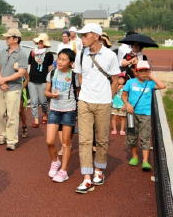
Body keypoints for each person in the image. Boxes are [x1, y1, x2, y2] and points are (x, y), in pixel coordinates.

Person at [74, 23, 121, 194]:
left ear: (95, 35)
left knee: (102, 139)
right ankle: (86, 178)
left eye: (85, 35)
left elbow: (115, 80)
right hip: (85, 101)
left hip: (103, 103)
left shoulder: (110, 55)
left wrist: (109, 98)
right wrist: (83, 93)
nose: (82, 38)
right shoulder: (80, 54)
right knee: (84, 140)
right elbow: (79, 75)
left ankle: (99, 171)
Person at [122, 60, 166, 171]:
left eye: (146, 71)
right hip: (132, 114)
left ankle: (145, 161)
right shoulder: (130, 82)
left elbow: (162, 85)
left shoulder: (150, 84)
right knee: (132, 136)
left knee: (145, 137)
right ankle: (135, 156)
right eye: (141, 71)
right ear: (136, 72)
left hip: (146, 114)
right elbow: (124, 95)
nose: (144, 73)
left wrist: (151, 76)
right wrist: (127, 104)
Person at [45, 48, 79, 183]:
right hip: (54, 109)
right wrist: (51, 95)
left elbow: (79, 92)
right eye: (59, 58)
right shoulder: (52, 73)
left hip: (69, 110)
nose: (60, 61)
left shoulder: (74, 75)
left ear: (70, 62)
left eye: (64, 59)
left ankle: (64, 171)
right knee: (49, 141)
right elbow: (46, 92)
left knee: (66, 142)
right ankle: (55, 161)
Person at [0, 28, 28, 151]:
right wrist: (0, 80)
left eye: (8, 37)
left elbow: (21, 73)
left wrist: (4, 79)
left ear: (15, 39)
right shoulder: (3, 52)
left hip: (13, 88)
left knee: (12, 115)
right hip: (0, 87)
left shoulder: (22, 54)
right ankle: (2, 135)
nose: (6, 39)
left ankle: (11, 140)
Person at [28, 33, 54, 127]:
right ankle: (35, 120)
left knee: (43, 101)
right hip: (32, 80)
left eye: (41, 42)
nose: (39, 43)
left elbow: (50, 68)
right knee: (34, 102)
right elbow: (29, 65)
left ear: (45, 43)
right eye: (39, 41)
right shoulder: (32, 52)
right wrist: (27, 78)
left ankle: (45, 113)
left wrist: (49, 81)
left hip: (43, 81)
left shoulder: (49, 54)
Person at [20, 71, 30, 137]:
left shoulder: (20, 63)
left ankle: (24, 125)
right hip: (9, 88)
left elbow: (27, 78)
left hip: (20, 88)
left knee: (20, 110)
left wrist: (22, 87)